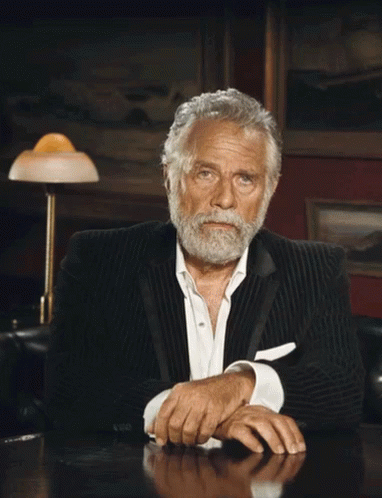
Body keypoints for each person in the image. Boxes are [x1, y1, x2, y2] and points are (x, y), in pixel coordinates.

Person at [45, 88, 364, 454]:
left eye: (245, 179)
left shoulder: (315, 269)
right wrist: (208, 417)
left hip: (259, 481)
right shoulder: (101, 261)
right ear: (169, 177)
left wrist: (241, 384)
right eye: (206, 173)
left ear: (270, 188)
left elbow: (343, 388)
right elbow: (68, 388)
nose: (224, 199)